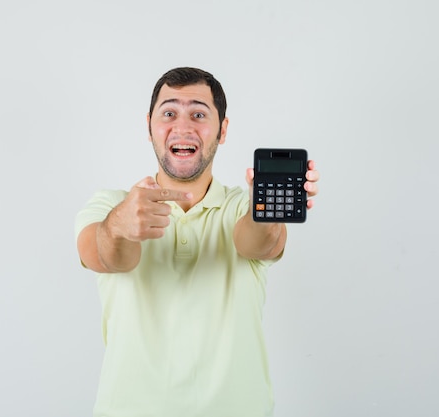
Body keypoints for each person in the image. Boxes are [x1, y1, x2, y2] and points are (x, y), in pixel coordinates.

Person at [75, 67, 320, 417]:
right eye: (169, 112)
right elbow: (106, 256)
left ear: (223, 130)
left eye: (199, 114)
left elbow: (258, 243)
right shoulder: (108, 204)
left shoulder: (241, 206)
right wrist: (119, 226)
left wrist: (268, 210)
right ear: (149, 126)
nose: (183, 126)